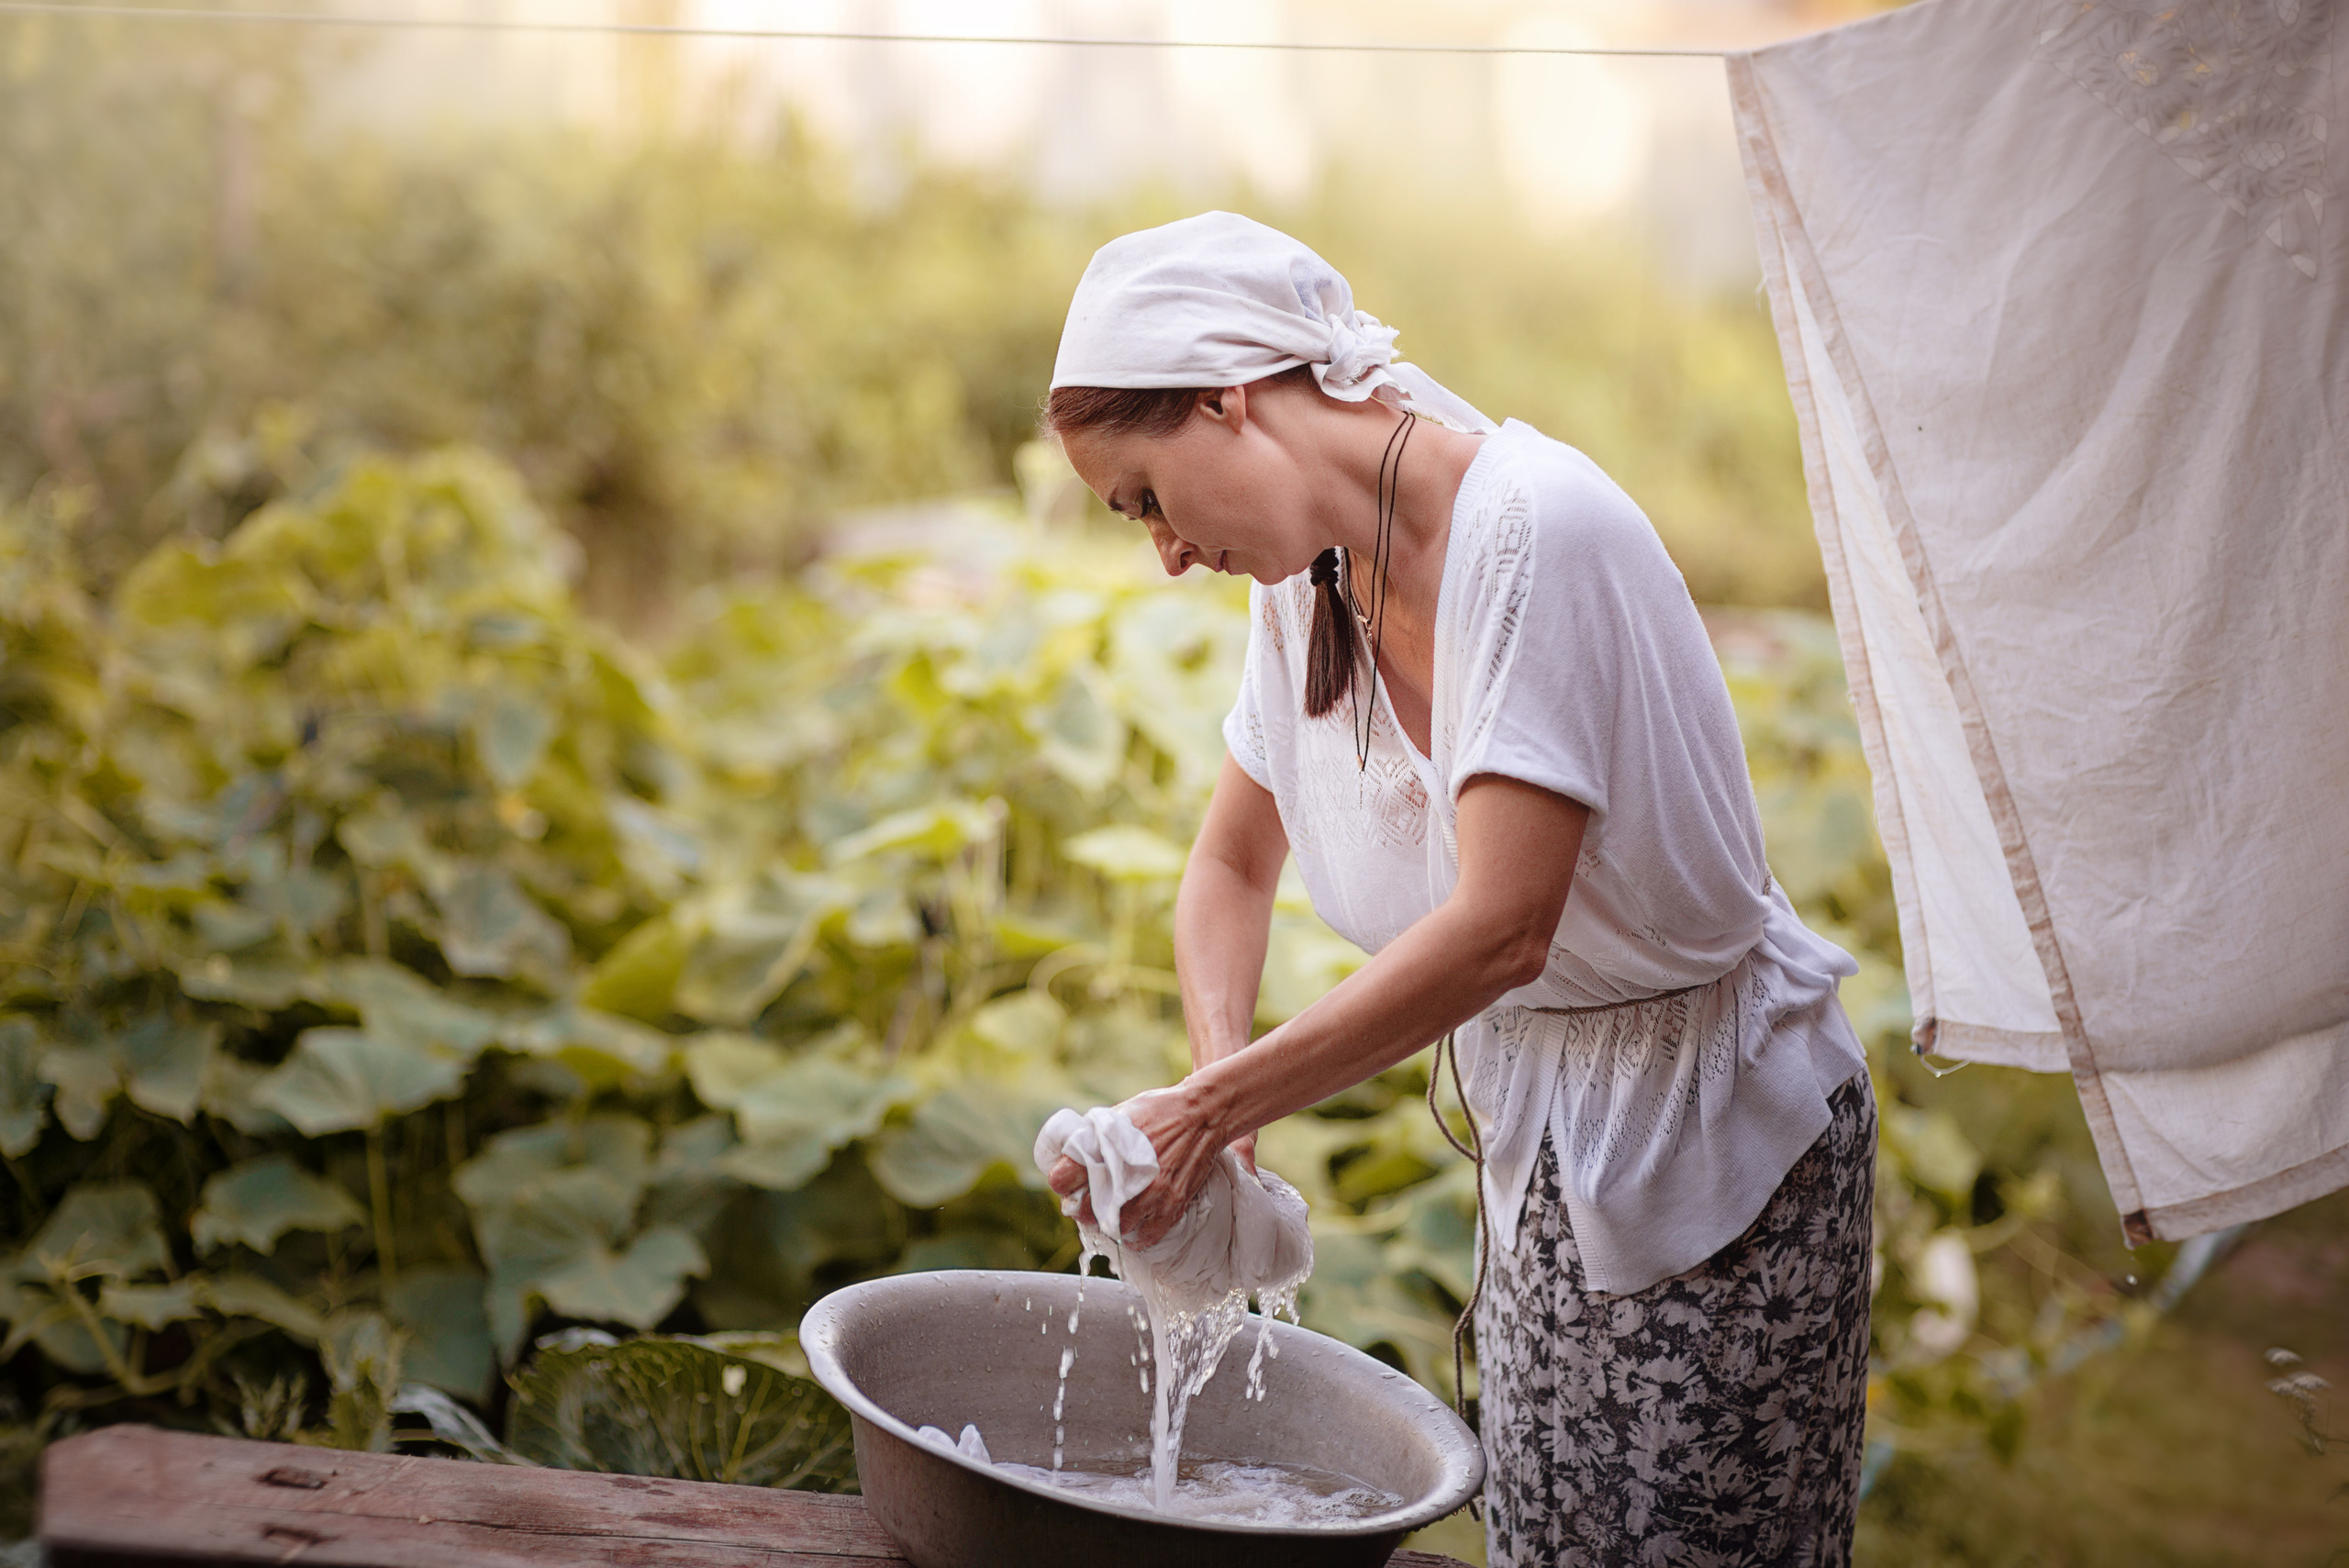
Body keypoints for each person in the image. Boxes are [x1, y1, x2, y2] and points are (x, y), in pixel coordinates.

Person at [1040, 211, 1876, 1568]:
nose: (1165, 550)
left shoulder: (1535, 534)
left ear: (1224, 398)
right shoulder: (1309, 585)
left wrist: (1208, 1112)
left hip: (1716, 1146)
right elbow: (1230, 864)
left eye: (1144, 497)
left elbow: (1503, 928)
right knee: (1545, 1542)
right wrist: (1221, 1112)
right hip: (1536, 1141)